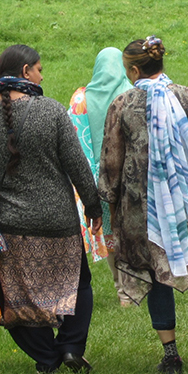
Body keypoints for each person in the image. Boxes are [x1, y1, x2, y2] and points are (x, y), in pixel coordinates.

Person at [99, 36, 188, 374]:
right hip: (187, 200)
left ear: (134, 70)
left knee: (154, 270)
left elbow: (111, 163)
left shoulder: (122, 105)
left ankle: (171, 354)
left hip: (141, 208)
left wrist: (106, 200)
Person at [0, 44, 101, 374]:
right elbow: (77, 164)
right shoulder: (51, 111)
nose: (42, 75)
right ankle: (69, 347)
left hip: (8, 225)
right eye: (39, 69)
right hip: (58, 220)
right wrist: (93, 205)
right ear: (25, 72)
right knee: (77, 285)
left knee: (14, 297)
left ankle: (46, 356)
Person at [67, 47, 135, 307]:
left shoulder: (80, 98)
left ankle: (121, 290)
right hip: (131, 176)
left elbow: (73, 140)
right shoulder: (131, 93)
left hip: (99, 179)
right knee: (132, 231)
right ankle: (137, 284)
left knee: (110, 234)